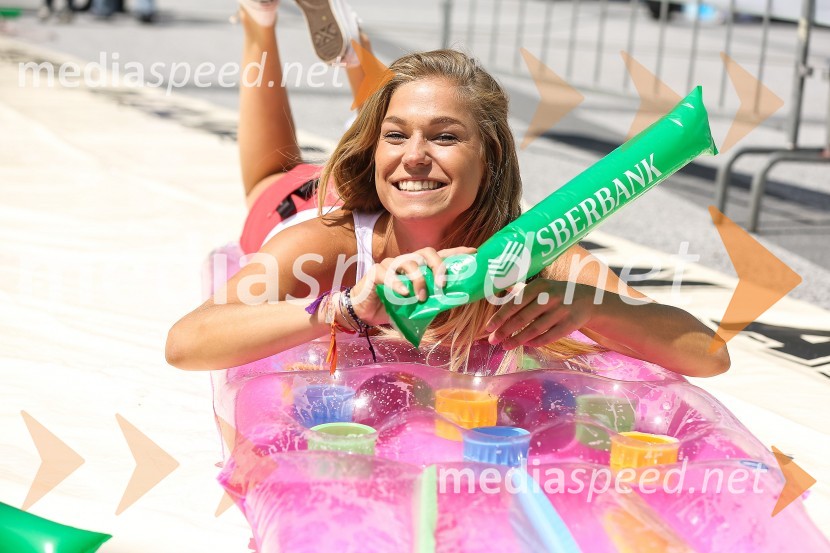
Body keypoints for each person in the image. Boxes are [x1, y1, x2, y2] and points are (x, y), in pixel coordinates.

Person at [165, 0, 730, 378]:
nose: (414, 151)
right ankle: (259, 19)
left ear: (492, 156)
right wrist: (342, 309)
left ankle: (356, 55)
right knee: (269, 176)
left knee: (412, 137)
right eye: (394, 137)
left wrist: (589, 306)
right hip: (314, 197)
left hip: (396, 190)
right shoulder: (325, 245)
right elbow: (187, 342)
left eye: (448, 136)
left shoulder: (535, 255)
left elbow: (709, 356)